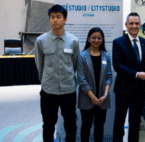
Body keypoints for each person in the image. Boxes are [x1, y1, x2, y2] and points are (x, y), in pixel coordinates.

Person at [34, 4, 79, 142]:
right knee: (48, 125)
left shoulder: (73, 41)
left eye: (58, 17)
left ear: (65, 19)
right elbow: (39, 65)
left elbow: (75, 64)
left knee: (70, 124)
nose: (55, 20)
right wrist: (46, 81)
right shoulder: (41, 41)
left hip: (68, 90)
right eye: (52, 17)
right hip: (49, 90)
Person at [112, 12, 145, 142]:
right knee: (119, 122)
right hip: (123, 90)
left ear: (140, 25)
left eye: (137, 23)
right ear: (126, 25)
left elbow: (140, 64)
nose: (134, 26)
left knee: (135, 123)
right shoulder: (118, 42)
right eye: (131, 23)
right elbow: (117, 65)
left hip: (139, 90)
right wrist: (136, 74)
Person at [77, 27, 112, 142]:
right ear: (88, 39)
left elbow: (109, 76)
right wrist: (92, 97)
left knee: (99, 127)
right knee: (86, 127)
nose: (96, 40)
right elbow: (81, 79)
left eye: (99, 38)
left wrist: (105, 95)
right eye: (93, 37)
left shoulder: (106, 56)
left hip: (103, 99)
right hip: (87, 98)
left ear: (102, 39)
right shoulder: (82, 56)